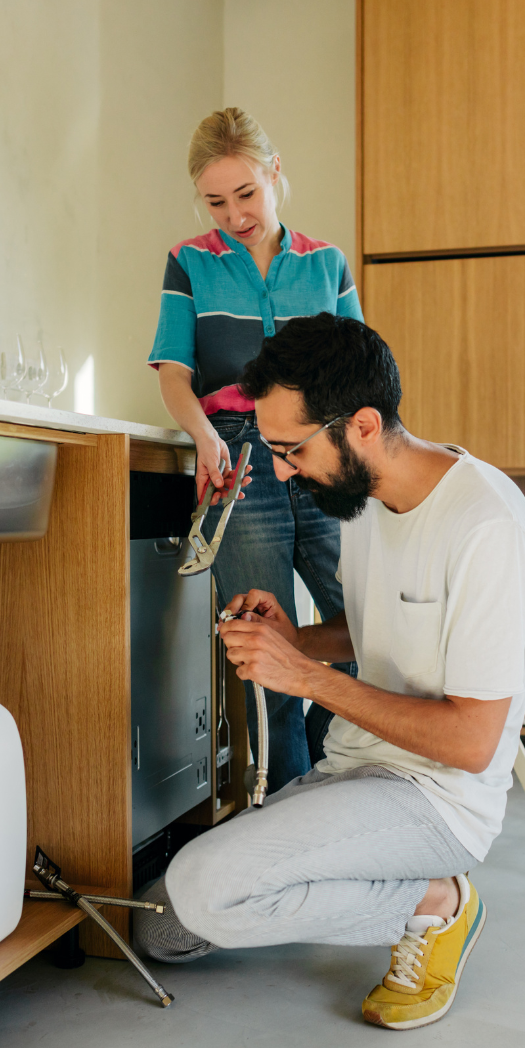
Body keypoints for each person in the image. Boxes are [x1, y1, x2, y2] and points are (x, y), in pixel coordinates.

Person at [135, 313, 525, 1030]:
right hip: (355, 769)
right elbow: (378, 627)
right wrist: (300, 640)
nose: (285, 472)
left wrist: (307, 679)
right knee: (163, 929)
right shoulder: (362, 504)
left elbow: (474, 743)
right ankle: (371, 876)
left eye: (291, 450)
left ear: (360, 425)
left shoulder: (485, 524)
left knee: (204, 892)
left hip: (437, 797)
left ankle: (440, 902)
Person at [148, 108, 364, 793]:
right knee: (262, 644)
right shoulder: (189, 262)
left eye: (246, 193)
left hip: (323, 452)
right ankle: (287, 801)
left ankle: (347, 787)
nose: (234, 214)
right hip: (236, 459)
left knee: (358, 628)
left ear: (274, 173)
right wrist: (204, 435)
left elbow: (359, 368)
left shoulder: (326, 262)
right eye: (216, 201)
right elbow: (174, 372)